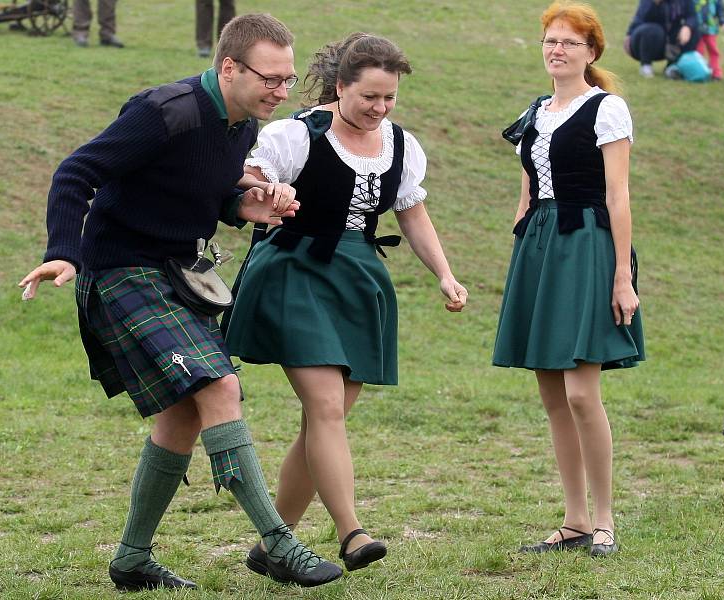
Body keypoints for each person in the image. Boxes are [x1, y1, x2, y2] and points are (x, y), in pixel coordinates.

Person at [18, 13, 342, 591]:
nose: (282, 91)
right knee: (219, 386)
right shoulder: (164, 111)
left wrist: (247, 206)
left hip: (176, 274)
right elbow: (76, 172)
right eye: (271, 78)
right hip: (120, 271)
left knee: (182, 415)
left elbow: (200, 191)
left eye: (289, 80)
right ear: (229, 67)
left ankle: (132, 559)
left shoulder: (241, 125)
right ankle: (279, 543)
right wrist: (64, 251)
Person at [223, 33, 467, 575]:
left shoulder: (400, 146)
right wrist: (269, 191)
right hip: (294, 270)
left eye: (389, 99)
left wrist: (445, 275)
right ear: (341, 87)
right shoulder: (294, 134)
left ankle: (272, 546)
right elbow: (246, 183)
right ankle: (351, 531)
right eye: (369, 98)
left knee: (322, 421)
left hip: (358, 279)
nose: (380, 109)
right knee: (326, 409)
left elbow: (412, 214)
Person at [494, 2, 645, 558]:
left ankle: (604, 519)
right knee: (552, 390)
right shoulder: (536, 111)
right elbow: (530, 186)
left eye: (569, 43)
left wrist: (622, 274)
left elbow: (618, 196)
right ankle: (575, 519)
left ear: (591, 52)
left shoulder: (607, 109)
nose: (556, 50)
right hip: (540, 250)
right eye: (549, 41)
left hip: (588, 246)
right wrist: (521, 238)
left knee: (583, 391)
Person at [624, 0, 699, 77]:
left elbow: (692, 16)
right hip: (639, 42)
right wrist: (655, 4)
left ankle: (672, 66)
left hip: (667, 41)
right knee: (653, 30)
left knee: (693, 30)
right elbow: (644, 17)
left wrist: (688, 26)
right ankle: (646, 65)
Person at [695, 0, 724, 80]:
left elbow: (721, 10)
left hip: (711, 30)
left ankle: (716, 73)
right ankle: (699, 71)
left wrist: (723, 22)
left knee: (713, 51)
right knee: (698, 51)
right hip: (697, 29)